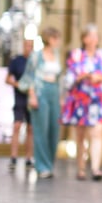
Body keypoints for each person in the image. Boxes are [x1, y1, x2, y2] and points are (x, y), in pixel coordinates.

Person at [61, 23, 102, 181]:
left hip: (99, 99)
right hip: (81, 99)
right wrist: (82, 76)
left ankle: (95, 168)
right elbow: (69, 78)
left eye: (96, 36)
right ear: (84, 38)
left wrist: (100, 78)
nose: (94, 39)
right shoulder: (76, 55)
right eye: (91, 36)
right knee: (80, 135)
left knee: (97, 132)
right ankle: (81, 167)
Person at [21, 27, 63, 179]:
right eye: (56, 38)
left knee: (54, 129)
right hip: (40, 91)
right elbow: (29, 77)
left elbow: (59, 78)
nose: (58, 41)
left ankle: (49, 163)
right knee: (41, 129)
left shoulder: (56, 56)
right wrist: (32, 95)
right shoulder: (36, 56)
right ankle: (42, 166)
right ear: (50, 39)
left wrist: (61, 96)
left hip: (54, 91)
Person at [5, 38, 34, 171]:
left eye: (31, 46)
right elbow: (7, 79)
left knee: (30, 128)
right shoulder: (17, 61)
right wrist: (19, 85)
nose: (28, 48)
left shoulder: (35, 62)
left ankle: (28, 158)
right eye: (26, 45)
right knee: (17, 125)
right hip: (20, 98)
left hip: (32, 98)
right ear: (23, 46)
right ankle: (13, 156)